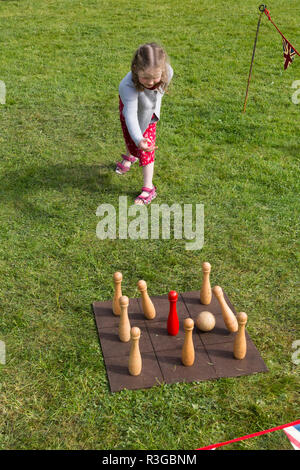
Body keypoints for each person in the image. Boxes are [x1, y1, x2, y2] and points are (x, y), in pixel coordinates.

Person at [117, 43, 173, 205]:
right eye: (145, 78)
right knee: (130, 132)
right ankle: (131, 155)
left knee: (147, 147)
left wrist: (152, 111)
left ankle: (149, 188)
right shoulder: (127, 86)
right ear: (135, 69)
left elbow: (159, 92)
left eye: (155, 77)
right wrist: (137, 138)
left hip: (149, 112)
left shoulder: (167, 72)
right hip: (131, 106)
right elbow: (130, 114)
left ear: (162, 70)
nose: (150, 82)